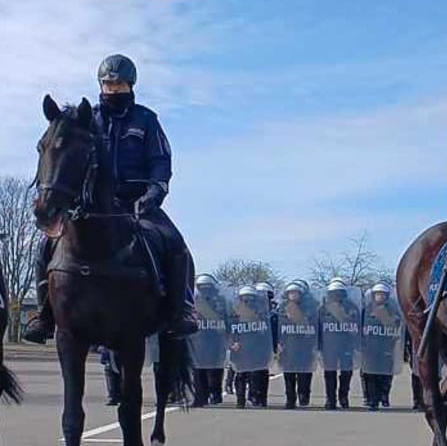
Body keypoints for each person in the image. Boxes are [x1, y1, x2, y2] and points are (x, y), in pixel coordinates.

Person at [23, 54, 196, 344]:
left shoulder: (146, 119)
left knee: (176, 244)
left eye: (119, 86)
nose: (113, 90)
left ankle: (182, 309)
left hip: (138, 202)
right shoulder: (89, 119)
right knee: (45, 247)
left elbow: (160, 161)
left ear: (130, 86)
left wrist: (154, 193)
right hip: (94, 203)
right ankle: (44, 315)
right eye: (108, 85)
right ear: (101, 86)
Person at [188, 273, 230, 406]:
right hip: (198, 340)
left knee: (215, 370)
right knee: (198, 371)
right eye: (202, 287)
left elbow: (226, 321)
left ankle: (215, 394)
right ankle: (200, 397)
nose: (204, 290)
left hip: (215, 340)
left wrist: (227, 336)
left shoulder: (220, 301)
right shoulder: (192, 301)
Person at [319, 278, 361, 410]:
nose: (336, 295)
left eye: (339, 292)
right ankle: (330, 399)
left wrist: (356, 344)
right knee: (329, 373)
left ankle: (343, 397)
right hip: (329, 346)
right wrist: (319, 345)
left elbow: (356, 326)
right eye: (334, 292)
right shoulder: (323, 309)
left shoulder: (352, 308)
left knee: (346, 372)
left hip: (346, 345)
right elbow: (318, 328)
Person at [229, 285, 273, 408]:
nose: (247, 300)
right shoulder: (235, 312)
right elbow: (230, 330)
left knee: (257, 375)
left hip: (257, 348)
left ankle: (256, 397)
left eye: (250, 298)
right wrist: (232, 343)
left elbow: (266, 331)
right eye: (244, 298)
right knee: (241, 374)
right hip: (240, 348)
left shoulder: (261, 312)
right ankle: (240, 399)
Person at [276, 280, 319, 409]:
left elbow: (315, 326)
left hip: (305, 345)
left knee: (304, 373)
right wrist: (278, 343)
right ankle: (290, 398)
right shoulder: (282, 309)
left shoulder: (310, 308)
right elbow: (277, 327)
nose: (293, 295)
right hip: (288, 346)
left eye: (296, 293)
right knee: (288, 374)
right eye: (291, 293)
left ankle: (304, 394)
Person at [360, 282, 402, 411]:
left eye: (382, 295)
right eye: (377, 294)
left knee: (385, 375)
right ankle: (373, 401)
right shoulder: (366, 309)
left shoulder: (393, 310)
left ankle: (384, 395)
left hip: (386, 347)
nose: (380, 297)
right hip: (370, 348)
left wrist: (384, 315)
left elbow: (396, 326)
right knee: (370, 375)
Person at [248, 281, 277, 407]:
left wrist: (276, 345)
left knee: (263, 371)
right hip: (252, 344)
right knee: (253, 371)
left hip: (265, 345)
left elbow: (275, 329)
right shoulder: (251, 310)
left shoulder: (273, 313)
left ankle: (262, 397)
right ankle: (253, 395)